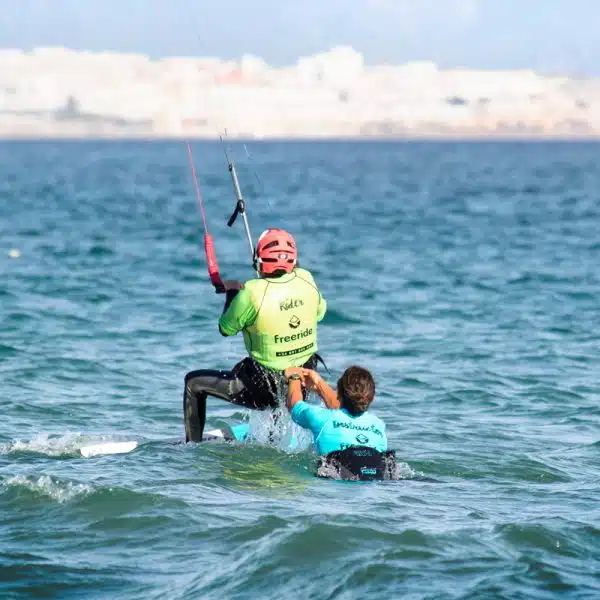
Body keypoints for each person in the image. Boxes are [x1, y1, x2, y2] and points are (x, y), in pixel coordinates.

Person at [184, 228, 327, 442]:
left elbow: (226, 328)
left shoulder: (250, 292)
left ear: (259, 261)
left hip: (264, 390)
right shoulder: (306, 278)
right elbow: (320, 312)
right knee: (276, 366)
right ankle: (274, 435)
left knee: (193, 383)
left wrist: (232, 293)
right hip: (302, 384)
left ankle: (191, 448)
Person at [283, 365, 396, 480]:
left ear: (339, 392)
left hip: (336, 477)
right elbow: (345, 409)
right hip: (378, 479)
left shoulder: (321, 418)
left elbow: (293, 404)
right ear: (372, 397)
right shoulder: (378, 425)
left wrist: (294, 377)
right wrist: (319, 383)